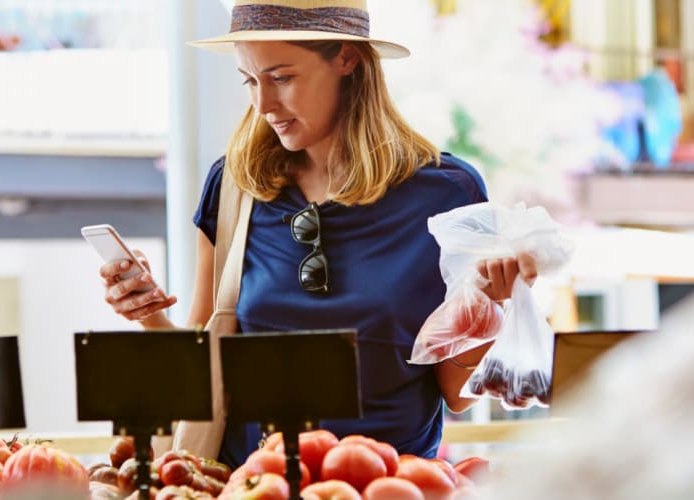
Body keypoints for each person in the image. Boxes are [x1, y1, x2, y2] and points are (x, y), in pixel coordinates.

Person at [100, 0, 537, 468]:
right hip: (253, 488)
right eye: (250, 80)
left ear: (346, 58)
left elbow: (457, 395)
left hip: (392, 487)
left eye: (281, 78)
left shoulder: (447, 193)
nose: (263, 105)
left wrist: (489, 303)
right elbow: (201, 364)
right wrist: (147, 312)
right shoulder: (234, 187)